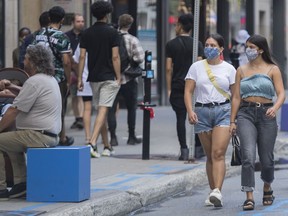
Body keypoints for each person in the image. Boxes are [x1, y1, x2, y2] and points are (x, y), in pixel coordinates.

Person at [229, 34, 285, 211]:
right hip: (245, 114)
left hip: (267, 114)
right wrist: (232, 121)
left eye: (251, 47)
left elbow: (281, 93)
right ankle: (249, 195)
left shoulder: (272, 69)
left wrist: (275, 108)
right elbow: (236, 97)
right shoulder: (241, 70)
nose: (248, 50)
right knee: (248, 155)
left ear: (260, 49)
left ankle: (267, 186)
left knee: (267, 160)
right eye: (247, 46)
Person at [0, 44, 62, 200]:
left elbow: (14, 111)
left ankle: (0, 188)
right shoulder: (48, 79)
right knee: (12, 140)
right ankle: (21, 184)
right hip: (47, 135)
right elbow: (28, 95)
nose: (24, 60)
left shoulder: (34, 81)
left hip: (37, 135)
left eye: (26, 58)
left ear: (33, 62)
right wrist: (12, 86)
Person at [184, 33, 236, 207]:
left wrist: (234, 119)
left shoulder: (229, 69)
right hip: (202, 112)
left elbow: (236, 96)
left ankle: (217, 191)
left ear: (221, 49)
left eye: (214, 45)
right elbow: (188, 91)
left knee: (218, 153)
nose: (209, 48)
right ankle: (213, 191)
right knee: (209, 156)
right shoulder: (196, 67)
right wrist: (190, 111)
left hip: (223, 111)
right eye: (207, 45)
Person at [78, 1, 121, 157]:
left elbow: (82, 56)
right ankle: (92, 142)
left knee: (101, 110)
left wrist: (79, 79)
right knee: (103, 109)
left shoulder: (86, 33)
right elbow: (115, 57)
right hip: (109, 76)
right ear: (107, 14)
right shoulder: (112, 33)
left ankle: (107, 146)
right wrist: (118, 76)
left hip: (93, 77)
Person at [33, 6, 74, 146]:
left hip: (39, 76)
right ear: (62, 20)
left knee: (40, 107)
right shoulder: (62, 37)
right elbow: (67, 62)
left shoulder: (38, 34)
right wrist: (68, 80)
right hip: (57, 78)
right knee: (59, 108)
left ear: (49, 18)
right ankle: (61, 137)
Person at [165, 13, 204, 160]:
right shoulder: (197, 44)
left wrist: (169, 88)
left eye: (176, 24)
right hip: (194, 86)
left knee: (180, 118)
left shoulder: (171, 44)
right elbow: (199, 65)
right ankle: (198, 148)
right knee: (197, 116)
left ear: (180, 26)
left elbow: (168, 68)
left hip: (178, 85)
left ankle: (184, 149)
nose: (175, 27)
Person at [107, 14, 144, 146]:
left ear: (119, 22)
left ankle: (113, 137)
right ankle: (131, 136)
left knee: (111, 108)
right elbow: (140, 58)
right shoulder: (133, 40)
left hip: (113, 78)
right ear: (130, 25)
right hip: (128, 78)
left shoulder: (111, 38)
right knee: (131, 108)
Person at [66, 14, 85, 130]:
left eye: (82, 21)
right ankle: (77, 117)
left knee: (81, 96)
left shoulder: (86, 35)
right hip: (71, 69)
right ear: (73, 22)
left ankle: (81, 118)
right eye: (78, 21)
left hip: (83, 69)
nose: (81, 23)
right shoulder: (67, 36)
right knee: (74, 95)